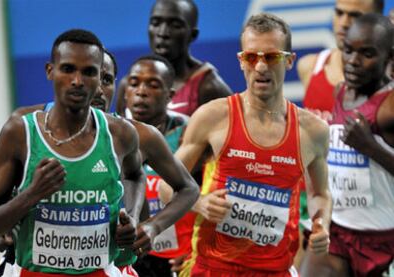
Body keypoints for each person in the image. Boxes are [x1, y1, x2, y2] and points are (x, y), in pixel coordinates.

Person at [0, 49, 200, 277]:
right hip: (30, 267)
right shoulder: (27, 126)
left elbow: (147, 181)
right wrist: (1, 230)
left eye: (107, 80)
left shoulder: (135, 135)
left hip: (112, 267)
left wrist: (148, 226)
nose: (98, 89)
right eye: (92, 76)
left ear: (116, 87)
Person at [160, 13, 332, 276]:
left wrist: (321, 223)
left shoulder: (313, 130)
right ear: (241, 61)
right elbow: (166, 187)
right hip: (213, 267)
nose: (261, 67)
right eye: (251, 57)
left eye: (271, 57)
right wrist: (201, 204)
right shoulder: (213, 117)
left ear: (289, 61)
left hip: (275, 270)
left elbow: (320, 194)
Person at [0, 29, 147, 276]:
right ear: (50, 71)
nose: (77, 80)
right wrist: (32, 194)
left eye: (89, 72)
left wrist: (133, 217)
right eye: (68, 69)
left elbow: (135, 174)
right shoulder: (19, 132)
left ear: (100, 77)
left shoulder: (120, 134)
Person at [300, 13, 394, 277]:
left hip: (383, 238)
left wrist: (370, 147)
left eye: (367, 54)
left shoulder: (389, 107)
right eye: (348, 50)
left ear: (389, 57)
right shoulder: (340, 91)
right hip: (337, 229)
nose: (353, 62)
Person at [121, 54, 196, 277]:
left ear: (170, 95)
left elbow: (207, 189)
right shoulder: (111, 134)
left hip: (181, 259)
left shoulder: (188, 133)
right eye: (134, 83)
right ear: (125, 90)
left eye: (153, 85)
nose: (141, 91)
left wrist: (196, 251)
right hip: (131, 255)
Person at [116, 0, 232, 118]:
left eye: (175, 25)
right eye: (155, 23)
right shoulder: (128, 84)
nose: (162, 33)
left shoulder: (209, 87)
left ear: (193, 35)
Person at [297, 0, 384, 116]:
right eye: (339, 13)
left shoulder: (387, 77)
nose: (344, 23)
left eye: (355, 16)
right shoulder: (309, 66)